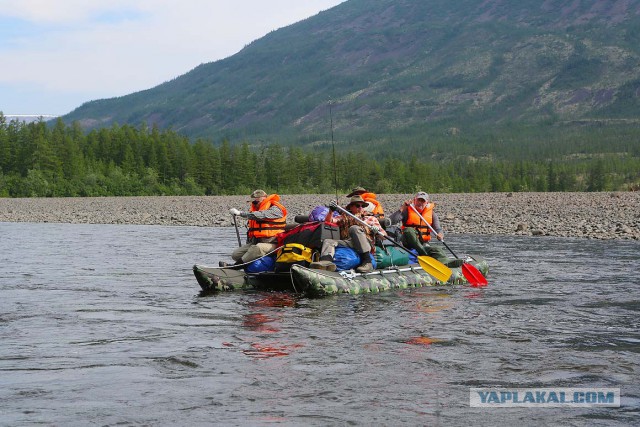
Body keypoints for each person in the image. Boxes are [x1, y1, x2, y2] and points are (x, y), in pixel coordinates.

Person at [309, 195, 385, 273]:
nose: (360, 207)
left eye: (363, 206)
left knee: (354, 228)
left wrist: (377, 231)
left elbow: (384, 236)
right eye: (357, 205)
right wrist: (331, 211)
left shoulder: (370, 218)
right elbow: (329, 221)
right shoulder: (344, 217)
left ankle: (367, 262)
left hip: (365, 242)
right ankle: (326, 262)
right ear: (351, 207)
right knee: (328, 241)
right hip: (349, 243)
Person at [395, 191, 463, 268]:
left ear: (427, 202)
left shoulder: (432, 214)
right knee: (409, 230)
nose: (420, 203)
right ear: (415, 200)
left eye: (423, 201)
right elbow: (392, 221)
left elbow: (438, 229)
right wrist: (402, 208)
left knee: (437, 249)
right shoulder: (406, 211)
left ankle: (445, 262)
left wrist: (440, 234)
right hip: (407, 243)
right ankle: (424, 254)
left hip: (423, 243)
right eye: (419, 200)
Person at [222, 189, 287, 266]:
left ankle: (235, 266)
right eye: (252, 202)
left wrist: (240, 213)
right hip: (256, 241)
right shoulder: (256, 209)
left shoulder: (275, 208)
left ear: (264, 198)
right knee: (236, 255)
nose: (254, 204)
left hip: (273, 243)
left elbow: (262, 215)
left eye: (255, 202)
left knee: (257, 248)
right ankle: (246, 264)